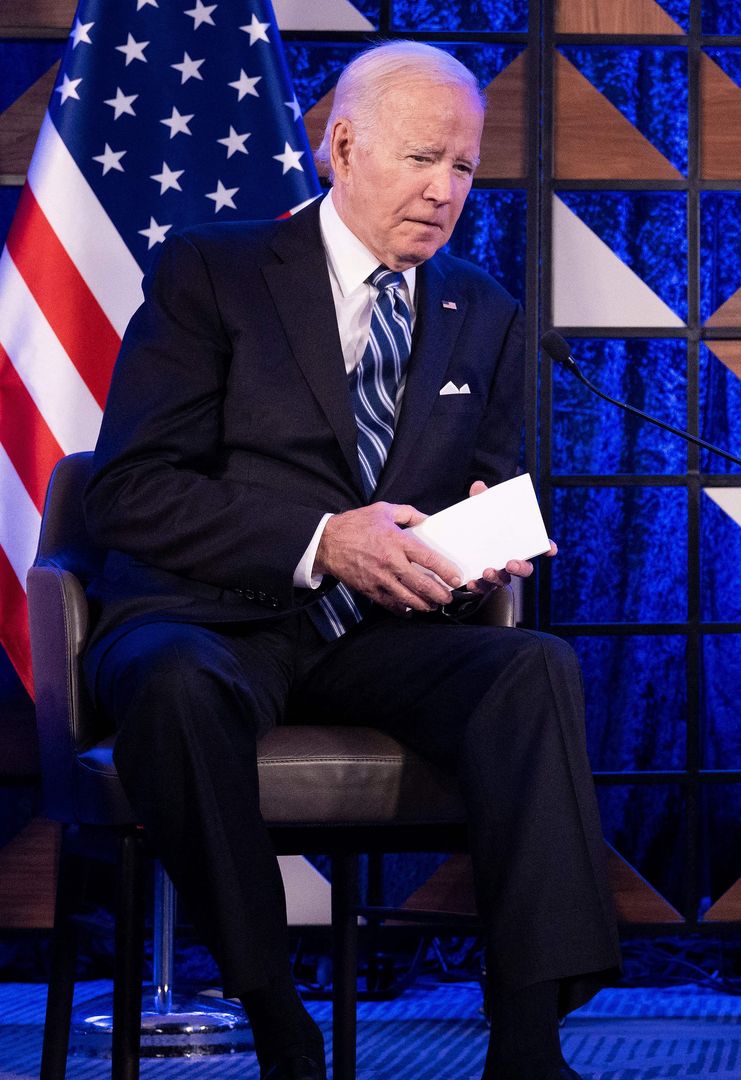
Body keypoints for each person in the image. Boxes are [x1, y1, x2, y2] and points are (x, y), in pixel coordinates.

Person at [82, 42, 618, 1080]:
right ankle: (275, 1014)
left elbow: (487, 487)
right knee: (174, 682)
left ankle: (528, 1041)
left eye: (464, 167)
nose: (445, 190)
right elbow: (130, 490)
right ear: (341, 146)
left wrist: (478, 550)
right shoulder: (214, 270)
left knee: (533, 668)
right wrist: (324, 540)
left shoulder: (484, 311)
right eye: (422, 158)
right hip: (207, 619)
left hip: (374, 637)